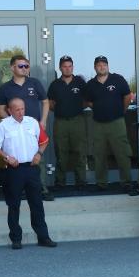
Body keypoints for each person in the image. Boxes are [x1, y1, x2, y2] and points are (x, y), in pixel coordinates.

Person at [0, 97, 57, 250]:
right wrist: (6, 157)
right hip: (14, 170)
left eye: (22, 109)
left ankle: (43, 237)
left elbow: (44, 140)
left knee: (37, 204)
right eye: (17, 109)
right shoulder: (2, 125)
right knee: (14, 205)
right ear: (9, 110)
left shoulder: (32, 122)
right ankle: (16, 239)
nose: (20, 112)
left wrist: (39, 154)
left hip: (32, 168)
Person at [0, 55, 51, 200]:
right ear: (12, 68)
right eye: (21, 66)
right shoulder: (5, 88)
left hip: (33, 129)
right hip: (15, 131)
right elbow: (1, 109)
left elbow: (45, 102)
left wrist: (43, 121)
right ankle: (19, 190)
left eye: (26, 66)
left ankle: (41, 189)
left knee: (38, 158)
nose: (24, 69)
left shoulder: (35, 83)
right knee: (17, 159)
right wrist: (11, 124)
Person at [84, 56, 138, 194]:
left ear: (108, 66)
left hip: (116, 122)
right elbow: (87, 101)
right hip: (98, 123)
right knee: (99, 154)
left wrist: (122, 110)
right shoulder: (90, 84)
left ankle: (126, 182)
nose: (102, 67)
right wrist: (98, 107)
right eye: (99, 65)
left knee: (122, 153)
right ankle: (101, 183)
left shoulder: (118, 79)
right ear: (95, 67)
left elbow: (127, 96)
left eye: (104, 64)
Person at [46, 56, 88, 189]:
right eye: (65, 66)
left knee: (79, 151)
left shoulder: (80, 82)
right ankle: (60, 182)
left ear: (73, 67)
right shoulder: (55, 84)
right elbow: (50, 104)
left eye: (70, 66)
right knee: (61, 152)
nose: (68, 69)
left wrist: (75, 108)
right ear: (60, 68)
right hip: (61, 122)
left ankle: (81, 181)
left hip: (77, 121)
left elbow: (87, 101)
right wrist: (62, 109)